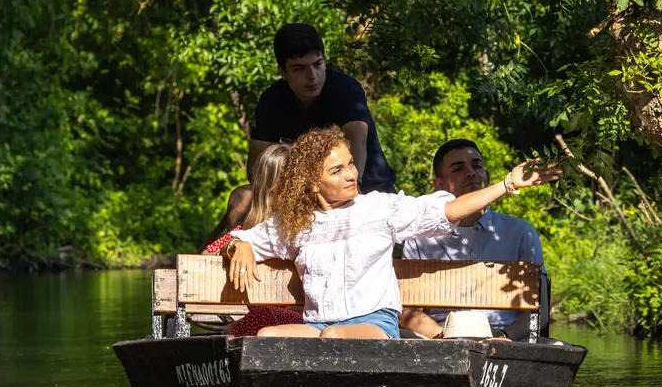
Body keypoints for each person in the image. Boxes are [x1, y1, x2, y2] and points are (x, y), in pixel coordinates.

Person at [223, 126, 559, 339]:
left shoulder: (379, 209)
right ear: (313, 183)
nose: (351, 174)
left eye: (351, 164)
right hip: (319, 325)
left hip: (374, 324)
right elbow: (240, 239)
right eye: (337, 170)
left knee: (334, 339)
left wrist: (507, 184)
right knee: (267, 336)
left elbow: (450, 209)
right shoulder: (296, 223)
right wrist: (240, 247)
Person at [400, 139, 544, 339]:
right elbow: (407, 312)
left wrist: (503, 337)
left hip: (508, 342)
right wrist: (444, 337)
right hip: (438, 341)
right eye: (458, 169)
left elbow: (539, 311)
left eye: (477, 166)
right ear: (439, 184)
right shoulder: (420, 239)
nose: (471, 172)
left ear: (487, 176)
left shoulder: (521, 233)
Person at [246, 23, 395, 199]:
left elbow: (357, 139)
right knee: (240, 199)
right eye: (299, 68)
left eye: (318, 64)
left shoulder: (345, 88)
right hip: (306, 196)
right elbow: (257, 169)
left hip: (369, 189)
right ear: (283, 72)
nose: (312, 76)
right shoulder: (271, 100)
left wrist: (356, 186)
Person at [203, 144, 303, 335]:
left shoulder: (306, 227)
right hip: (267, 325)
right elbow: (204, 258)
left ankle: (231, 331)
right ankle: (233, 333)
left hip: (304, 323)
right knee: (265, 317)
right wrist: (236, 246)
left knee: (265, 317)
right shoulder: (250, 232)